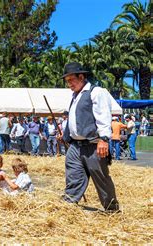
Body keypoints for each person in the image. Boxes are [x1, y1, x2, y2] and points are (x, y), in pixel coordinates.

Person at [61, 62, 119, 212]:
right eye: (67, 81)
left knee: (100, 177)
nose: (69, 84)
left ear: (81, 77)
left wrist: (104, 139)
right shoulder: (75, 96)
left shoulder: (96, 92)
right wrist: (66, 134)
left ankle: (112, 209)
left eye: (71, 80)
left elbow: (103, 116)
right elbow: (75, 118)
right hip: (75, 145)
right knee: (73, 174)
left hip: (94, 144)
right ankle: (68, 204)